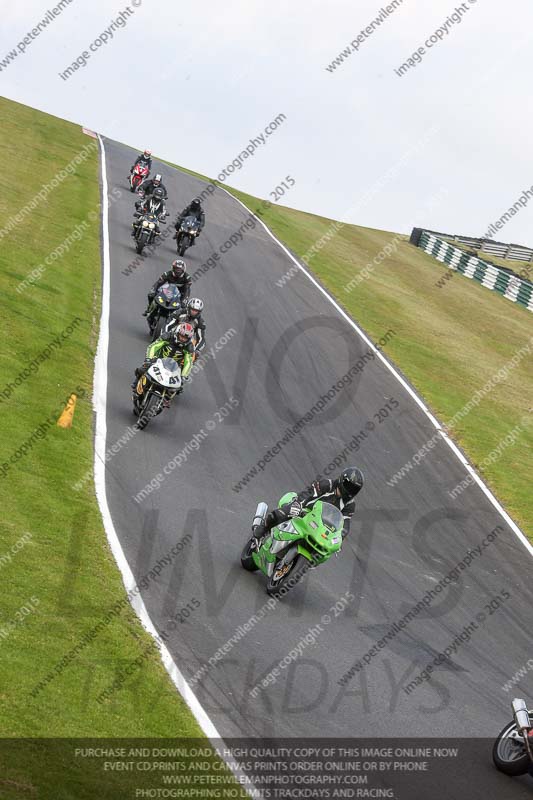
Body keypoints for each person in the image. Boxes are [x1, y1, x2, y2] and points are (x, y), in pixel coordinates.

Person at [251, 468, 364, 549]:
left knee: (326, 548)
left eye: (354, 489)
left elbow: (345, 524)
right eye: (349, 486)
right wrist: (298, 504)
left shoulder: (349, 505)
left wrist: (339, 537)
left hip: (319, 524)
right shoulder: (327, 485)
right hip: (304, 510)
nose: (350, 491)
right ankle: (260, 531)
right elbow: (308, 493)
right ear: (342, 480)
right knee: (281, 514)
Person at [131, 323, 195, 402]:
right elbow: (154, 346)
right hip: (158, 359)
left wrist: (184, 376)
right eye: (181, 336)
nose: (182, 339)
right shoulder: (168, 336)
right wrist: (149, 359)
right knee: (143, 368)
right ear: (177, 332)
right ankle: (136, 384)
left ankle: (166, 400)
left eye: (185, 338)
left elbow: (188, 362)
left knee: (179, 386)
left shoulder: (189, 347)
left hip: (174, 366)